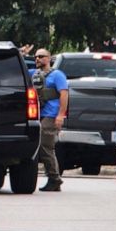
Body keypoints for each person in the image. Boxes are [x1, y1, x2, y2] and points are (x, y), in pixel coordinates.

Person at [31, 49, 69, 192]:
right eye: (36, 57)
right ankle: (53, 178)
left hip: (51, 115)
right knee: (41, 147)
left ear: (49, 59)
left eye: (41, 56)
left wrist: (60, 115)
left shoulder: (57, 75)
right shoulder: (34, 74)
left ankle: (54, 179)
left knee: (46, 147)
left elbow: (64, 95)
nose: (37, 59)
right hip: (37, 115)